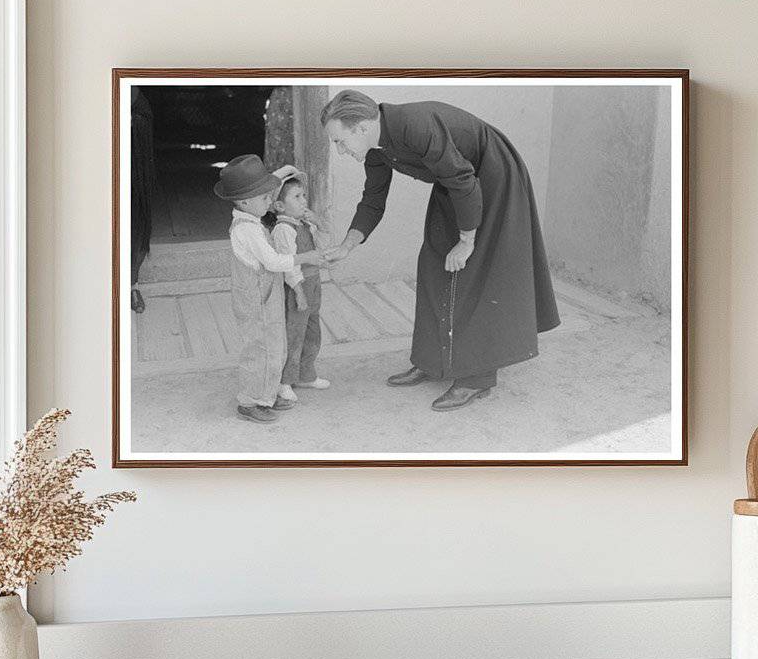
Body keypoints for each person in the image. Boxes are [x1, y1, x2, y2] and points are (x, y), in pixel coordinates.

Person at [323, 90, 560, 411]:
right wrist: (347, 245)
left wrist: (466, 241)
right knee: (434, 264)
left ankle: (476, 378)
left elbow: (463, 179)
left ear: (362, 127)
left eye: (340, 141)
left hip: (491, 177)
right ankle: (431, 361)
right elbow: (373, 199)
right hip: (456, 184)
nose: (340, 151)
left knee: (476, 272)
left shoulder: (416, 126)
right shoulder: (376, 149)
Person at [215, 155, 327, 424]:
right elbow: (274, 262)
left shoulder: (250, 216)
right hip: (257, 302)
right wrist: (306, 257)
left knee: (275, 348)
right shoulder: (247, 230)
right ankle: (250, 402)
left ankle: (266, 394)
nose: (270, 201)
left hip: (266, 298)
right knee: (260, 351)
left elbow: (264, 187)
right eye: (265, 198)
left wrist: (284, 171)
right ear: (245, 202)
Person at [270, 171, 329, 402]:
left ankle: (306, 374)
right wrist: (298, 291)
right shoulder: (284, 229)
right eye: (297, 197)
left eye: (303, 195)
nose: (304, 201)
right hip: (298, 288)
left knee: (312, 332)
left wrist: (319, 223)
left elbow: (323, 247)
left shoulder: (304, 224)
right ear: (279, 206)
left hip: (313, 283)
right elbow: (289, 264)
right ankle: (284, 381)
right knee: (294, 335)